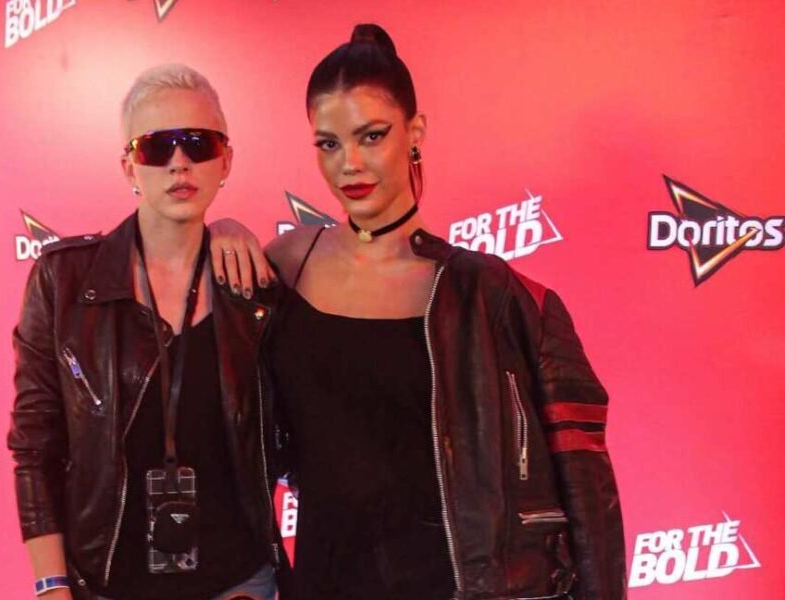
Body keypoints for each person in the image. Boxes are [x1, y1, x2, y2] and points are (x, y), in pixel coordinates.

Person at [210, 24, 626, 599]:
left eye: (371, 136)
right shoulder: (286, 265)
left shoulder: (497, 297)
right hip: (324, 584)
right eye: (328, 144)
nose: (350, 164)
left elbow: (588, 495)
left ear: (415, 132)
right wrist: (219, 230)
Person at [8, 64, 287, 600]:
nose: (179, 162)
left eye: (199, 144)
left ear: (226, 160)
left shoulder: (255, 288)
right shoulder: (64, 283)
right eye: (156, 147)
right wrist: (50, 585)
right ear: (129, 166)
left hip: (239, 583)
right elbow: (34, 446)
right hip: (108, 584)